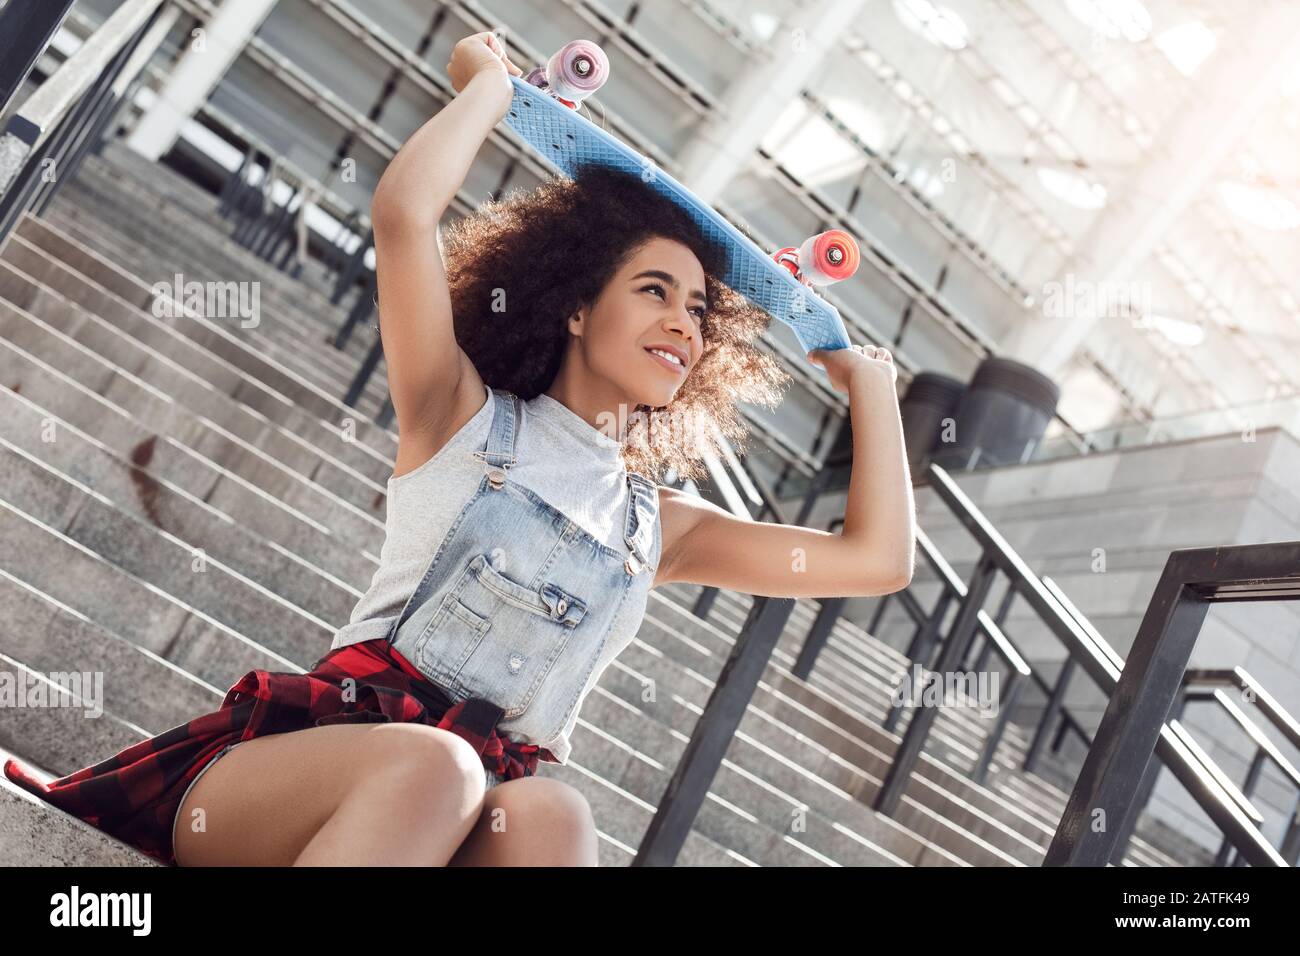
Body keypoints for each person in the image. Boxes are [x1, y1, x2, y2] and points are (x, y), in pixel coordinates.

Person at [3, 31, 915, 867]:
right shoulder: (461, 414)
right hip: (298, 786)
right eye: (653, 291)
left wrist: (867, 389)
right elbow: (404, 216)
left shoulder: (657, 526)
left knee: (554, 814)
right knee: (440, 769)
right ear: (574, 306)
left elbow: (875, 562)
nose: (683, 321)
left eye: (698, 311)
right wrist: (487, 88)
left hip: (464, 819)